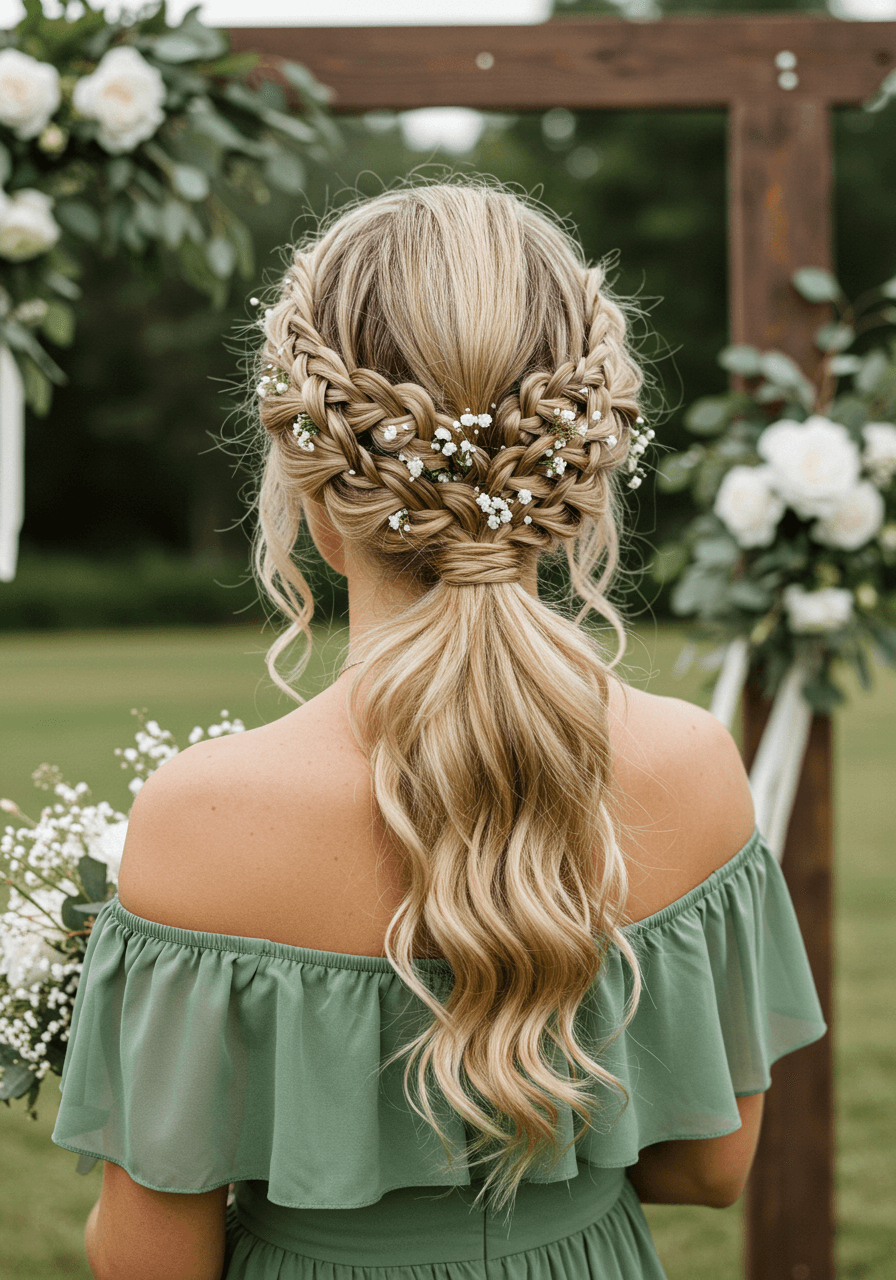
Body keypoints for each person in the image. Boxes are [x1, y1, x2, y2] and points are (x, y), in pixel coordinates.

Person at [52, 181, 826, 1280]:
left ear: (311, 487)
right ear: (582, 472)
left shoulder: (199, 817)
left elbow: (149, 1262)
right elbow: (703, 1170)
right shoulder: (692, 765)